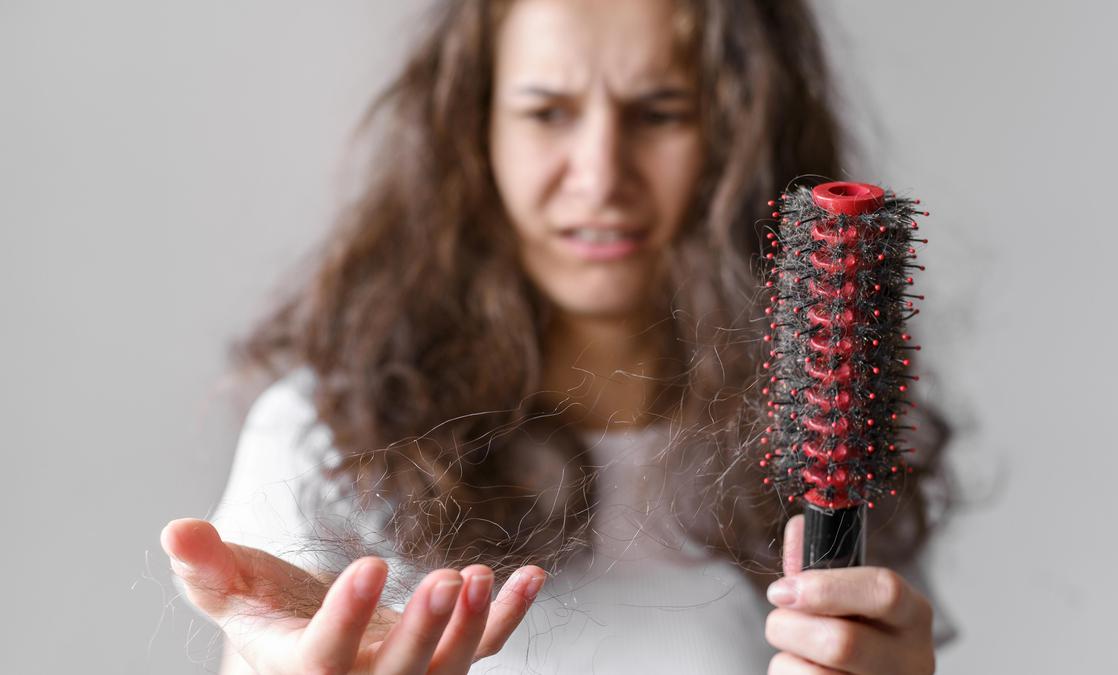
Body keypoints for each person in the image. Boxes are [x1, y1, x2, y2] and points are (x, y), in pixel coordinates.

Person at [161, 0, 952, 672]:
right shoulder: (321, 437)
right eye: (547, 113)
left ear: (741, 133)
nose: (601, 173)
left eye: (659, 113)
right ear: (476, 134)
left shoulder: (835, 431)